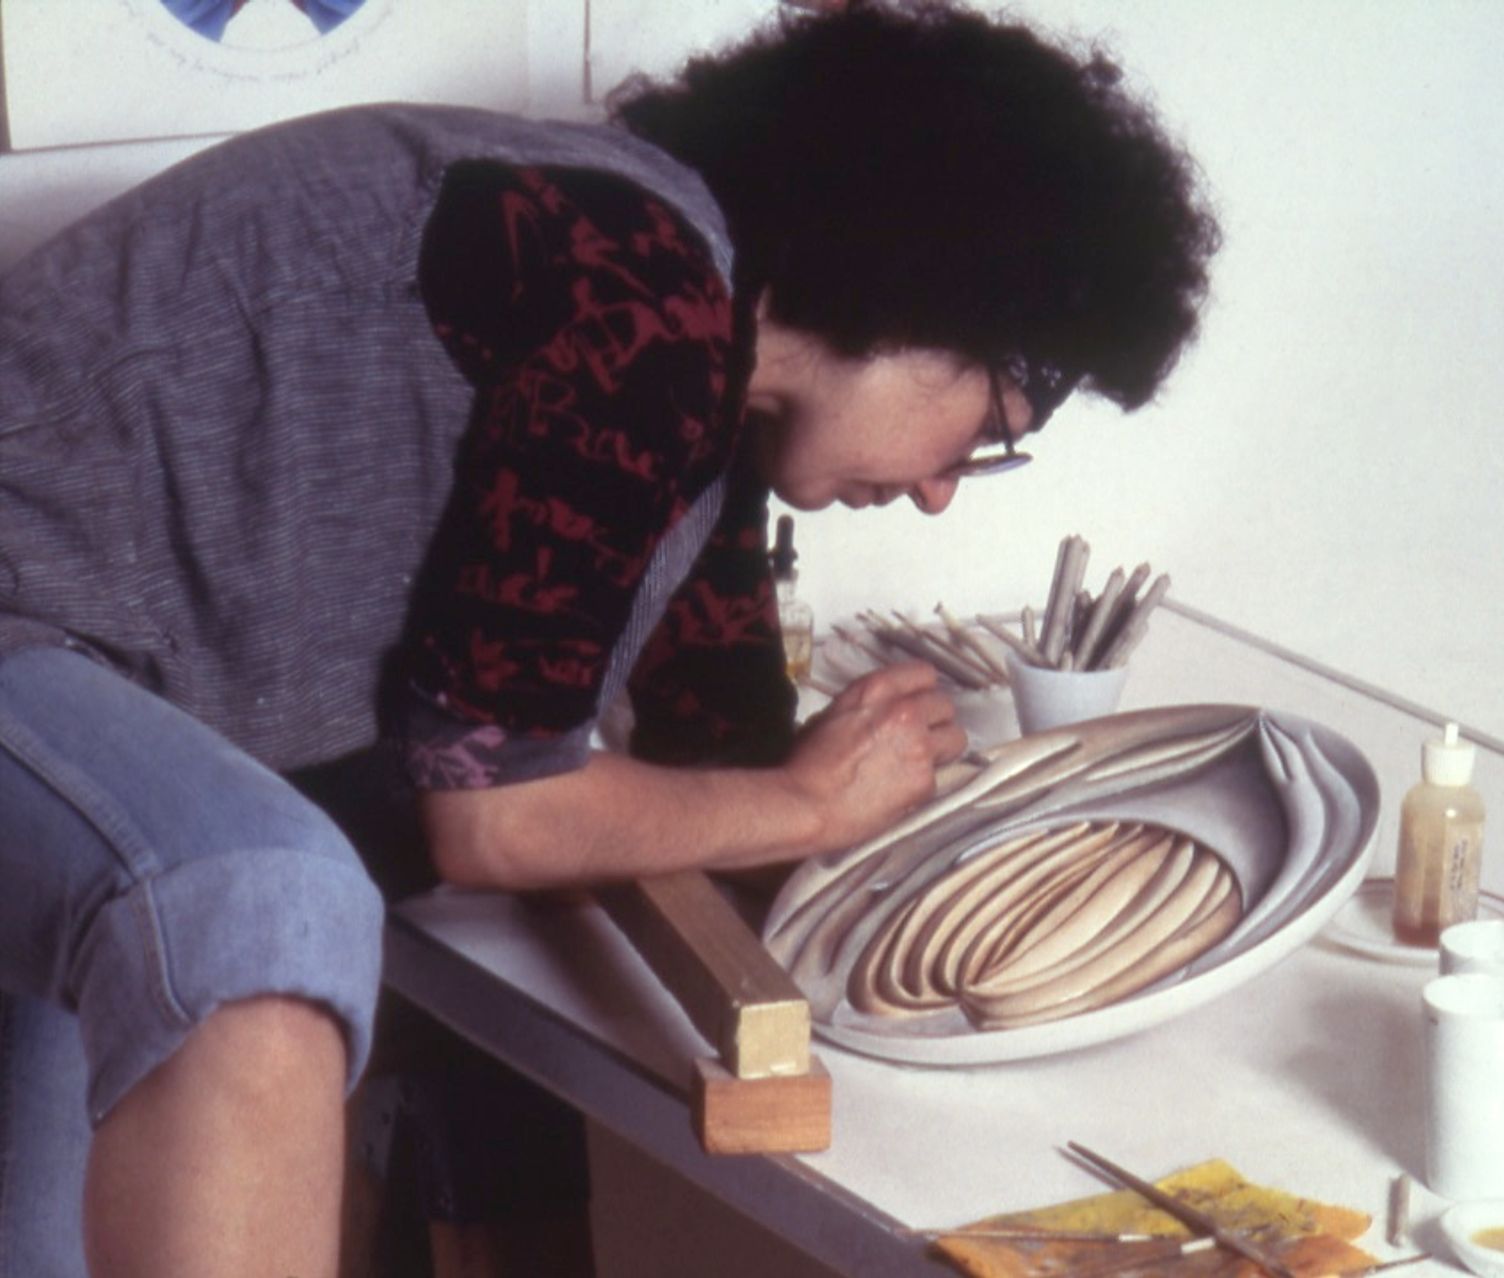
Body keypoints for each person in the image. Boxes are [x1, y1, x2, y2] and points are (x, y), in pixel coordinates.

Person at [0, 1, 1217, 1272]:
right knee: (260, 900)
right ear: (923, 299)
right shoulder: (636, 297)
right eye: (990, 431)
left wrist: (941, 845)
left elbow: (718, 763)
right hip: (32, 641)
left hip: (89, 721)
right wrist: (809, 802)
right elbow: (496, 816)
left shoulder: (706, 399)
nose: (942, 492)